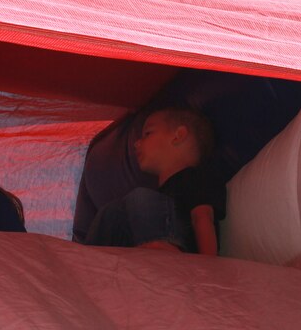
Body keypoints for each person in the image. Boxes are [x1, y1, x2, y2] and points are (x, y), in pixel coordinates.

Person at [81, 107, 224, 255]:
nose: (136, 143)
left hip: (183, 258)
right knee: (110, 213)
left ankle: (163, 245)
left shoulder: (196, 177)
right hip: (141, 255)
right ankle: (92, 260)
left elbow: (202, 217)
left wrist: (208, 264)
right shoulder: (157, 200)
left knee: (141, 197)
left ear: (178, 136)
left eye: (147, 133)